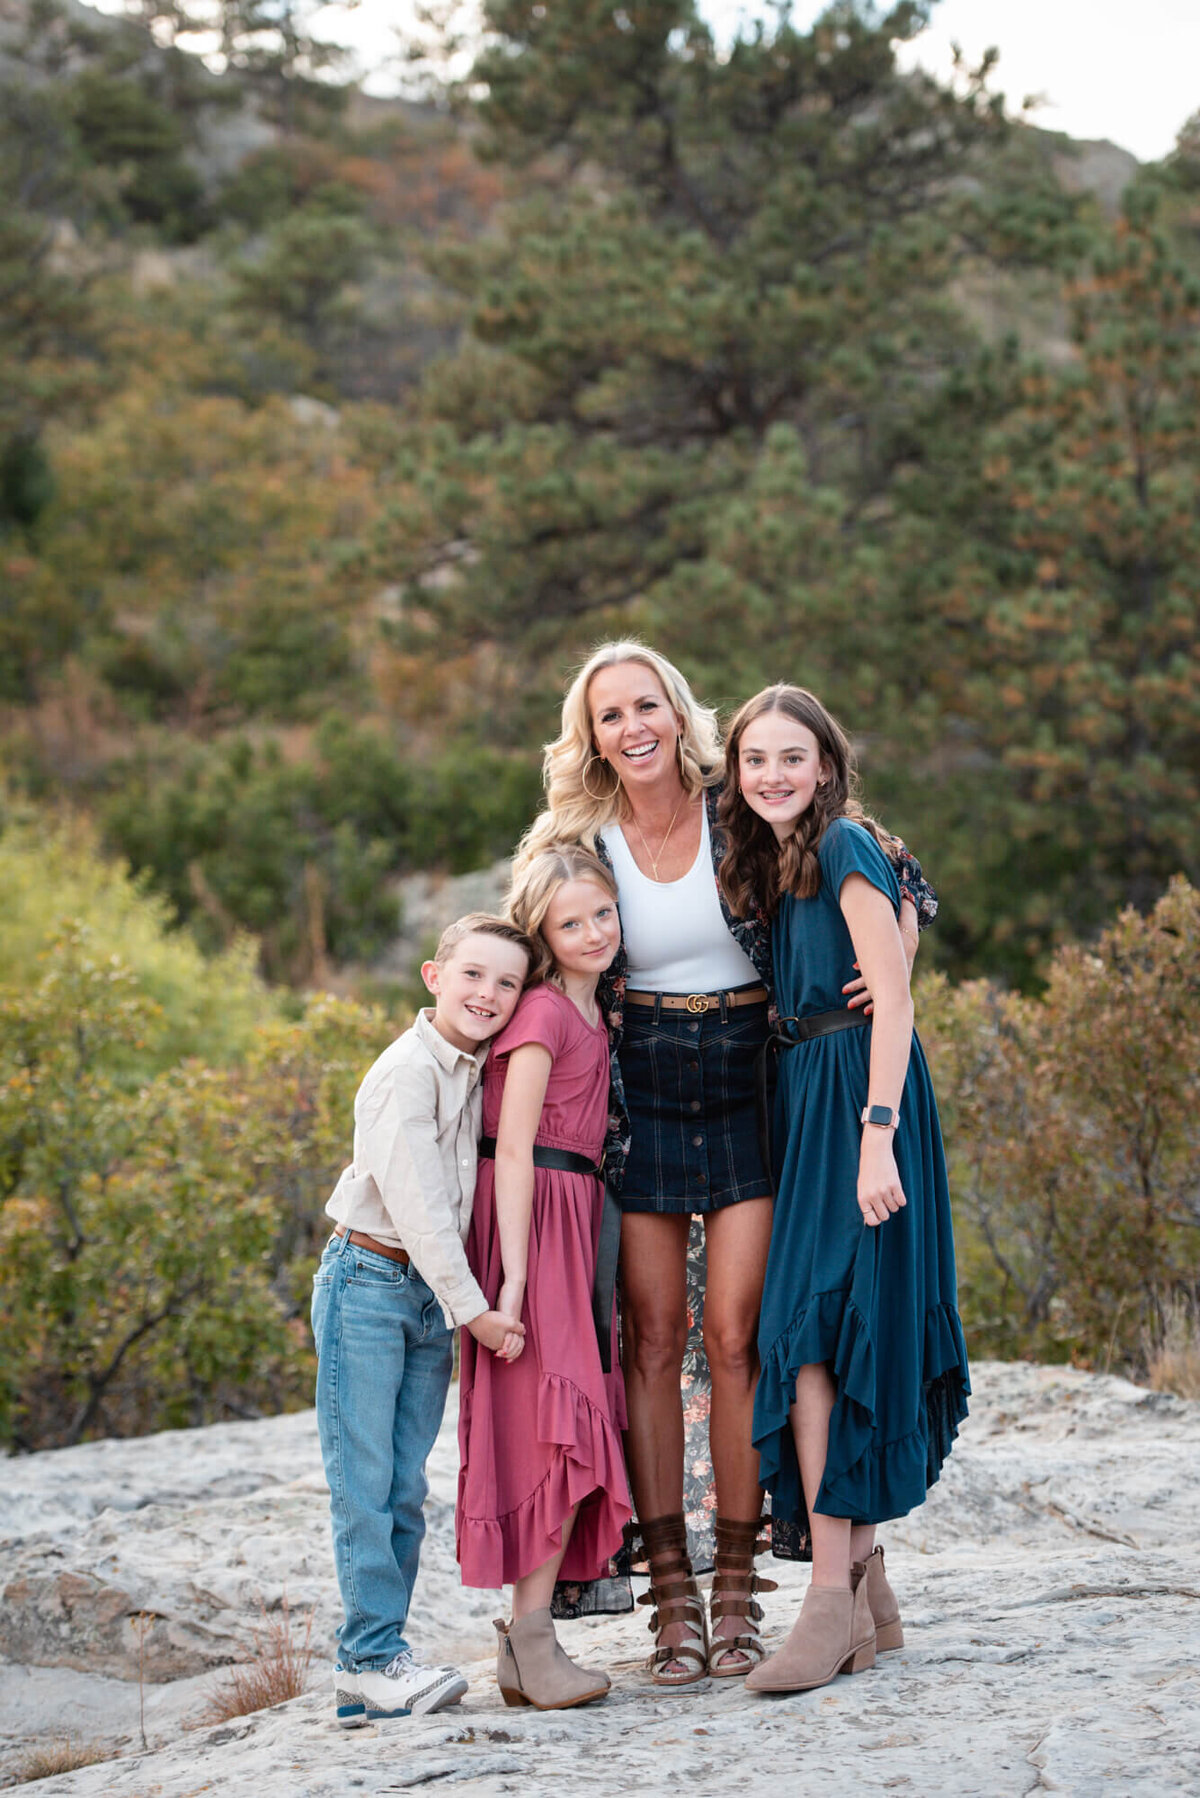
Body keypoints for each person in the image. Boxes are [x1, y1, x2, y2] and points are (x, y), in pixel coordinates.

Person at [514, 642, 937, 1686]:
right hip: (641, 1084)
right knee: (651, 1340)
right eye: (609, 715)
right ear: (592, 735)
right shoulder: (576, 837)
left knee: (742, 1333)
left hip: (753, 1073)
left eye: (646, 704)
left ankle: (744, 1595)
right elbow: (524, 943)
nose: (633, 727)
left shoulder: (737, 805)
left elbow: (894, 875)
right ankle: (673, 1604)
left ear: (677, 710)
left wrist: (889, 981)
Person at [716, 684, 970, 1695]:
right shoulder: (776, 857)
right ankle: (865, 1590)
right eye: (754, 760)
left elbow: (896, 1002)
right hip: (803, 1097)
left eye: (792, 757)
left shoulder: (849, 846)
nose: (773, 774)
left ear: (826, 765)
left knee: (819, 1332)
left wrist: (877, 1140)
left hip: (865, 1097)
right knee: (822, 1329)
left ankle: (828, 1601)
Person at [312, 914, 533, 1725]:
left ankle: (374, 1662)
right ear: (435, 978)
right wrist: (475, 1311)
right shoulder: (407, 1072)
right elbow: (418, 1209)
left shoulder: (478, 1070)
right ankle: (369, 1656)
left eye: (507, 982)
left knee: (406, 1486)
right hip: (370, 1283)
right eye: (473, 975)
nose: (488, 994)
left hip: (425, 1300)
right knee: (365, 1483)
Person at [457, 845, 632, 1709]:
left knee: (570, 1413)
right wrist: (517, 1278)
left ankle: (528, 1647)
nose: (593, 932)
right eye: (571, 923)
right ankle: (529, 1639)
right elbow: (514, 1145)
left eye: (602, 914)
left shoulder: (596, 1010)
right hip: (533, 1218)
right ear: (543, 932)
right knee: (553, 1419)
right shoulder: (540, 1013)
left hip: (579, 1215)